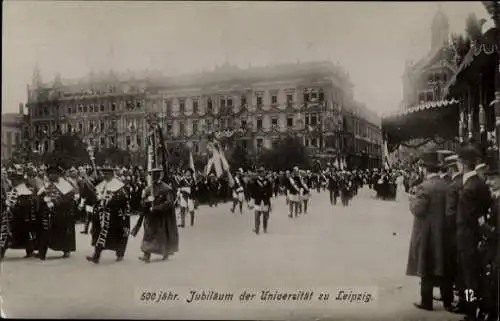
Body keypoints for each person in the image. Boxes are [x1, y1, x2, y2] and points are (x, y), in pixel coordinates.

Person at [406, 149, 452, 311]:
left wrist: (411, 201)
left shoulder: (424, 187)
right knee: (444, 266)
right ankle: (448, 300)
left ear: (425, 169)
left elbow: (418, 209)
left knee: (425, 266)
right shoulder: (447, 185)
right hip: (444, 232)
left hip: (426, 234)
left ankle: (426, 301)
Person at [455, 145, 493, 321]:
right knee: (476, 276)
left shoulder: (468, 187)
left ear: (462, 164)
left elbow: (470, 217)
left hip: (467, 238)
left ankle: (471, 309)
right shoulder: (479, 183)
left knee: (469, 277)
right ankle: (479, 307)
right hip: (476, 238)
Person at [131, 168, 178, 263]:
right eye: (152, 175)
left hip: (161, 216)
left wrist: (157, 207)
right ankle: (146, 255)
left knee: (162, 234)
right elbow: (142, 202)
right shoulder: (149, 188)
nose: (154, 177)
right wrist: (148, 200)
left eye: (156, 175)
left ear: (160, 175)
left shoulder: (166, 188)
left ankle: (165, 252)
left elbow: (169, 203)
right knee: (148, 234)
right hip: (150, 216)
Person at [86, 165, 129, 264]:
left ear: (111, 174)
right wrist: (98, 199)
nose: (104, 175)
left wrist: (110, 200)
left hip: (115, 215)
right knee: (100, 233)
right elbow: (96, 197)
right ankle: (96, 255)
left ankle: (119, 253)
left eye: (107, 173)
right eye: (103, 173)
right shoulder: (102, 184)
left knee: (117, 235)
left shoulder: (119, 185)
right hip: (102, 214)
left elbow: (123, 199)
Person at [37, 165, 77, 260]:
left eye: (54, 173)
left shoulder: (65, 184)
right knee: (45, 231)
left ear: (58, 174)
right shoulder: (46, 185)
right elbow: (39, 196)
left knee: (63, 232)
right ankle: (42, 252)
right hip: (49, 212)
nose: (51, 175)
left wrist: (56, 202)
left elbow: (69, 197)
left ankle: (66, 250)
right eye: (50, 174)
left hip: (62, 213)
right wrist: (44, 200)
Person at [250, 167, 273, 235]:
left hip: (265, 201)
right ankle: (257, 229)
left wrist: (271, 203)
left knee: (265, 217)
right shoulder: (255, 182)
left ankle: (265, 228)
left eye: (263, 172)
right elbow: (253, 192)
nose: (262, 173)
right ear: (259, 173)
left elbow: (270, 192)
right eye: (260, 172)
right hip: (258, 201)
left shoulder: (268, 182)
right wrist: (251, 202)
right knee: (257, 216)